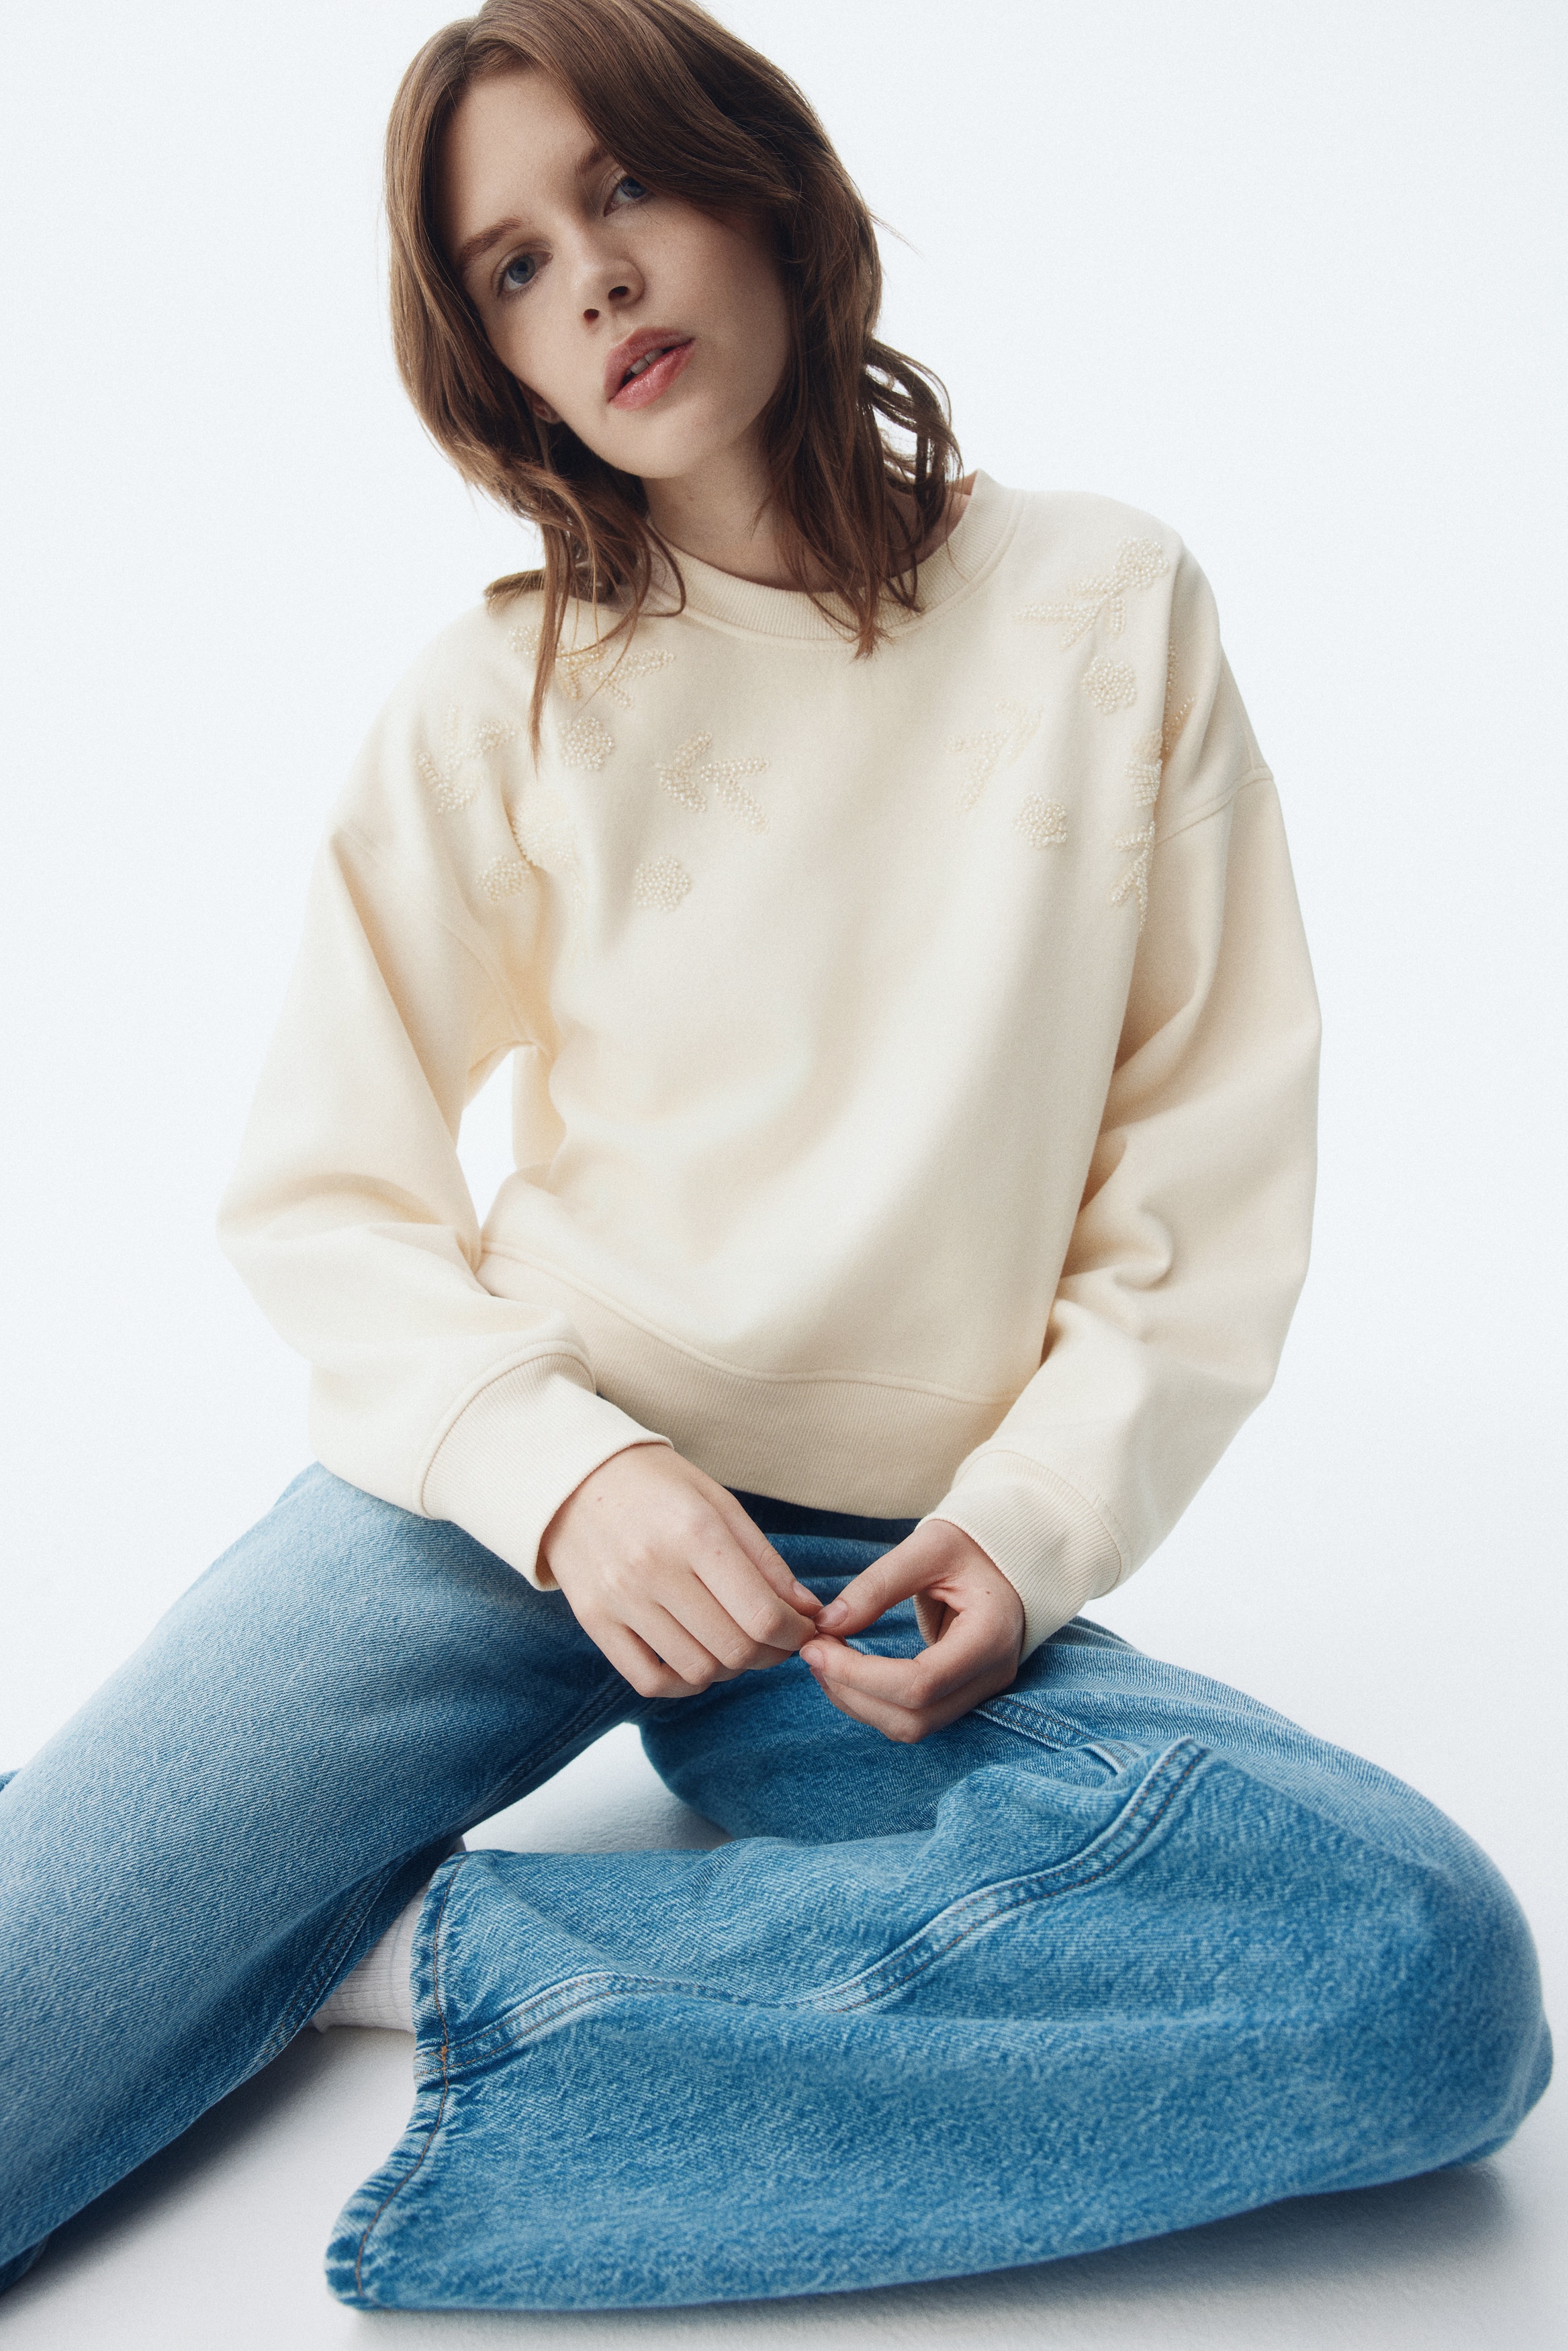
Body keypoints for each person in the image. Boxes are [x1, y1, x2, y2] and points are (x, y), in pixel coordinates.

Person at [0, 0, 1549, 2314]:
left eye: (622, 186)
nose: (597, 282)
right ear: (494, 362)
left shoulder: (1108, 609)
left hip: (880, 1578)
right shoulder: (502, 694)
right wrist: (563, 1474)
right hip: (515, 1494)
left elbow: (1201, 1168)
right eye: (515, 266)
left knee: (1424, 1979)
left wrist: (1028, 1526)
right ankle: (269, 1898)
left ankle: (445, 1953)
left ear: (764, 185)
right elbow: (327, 1185)